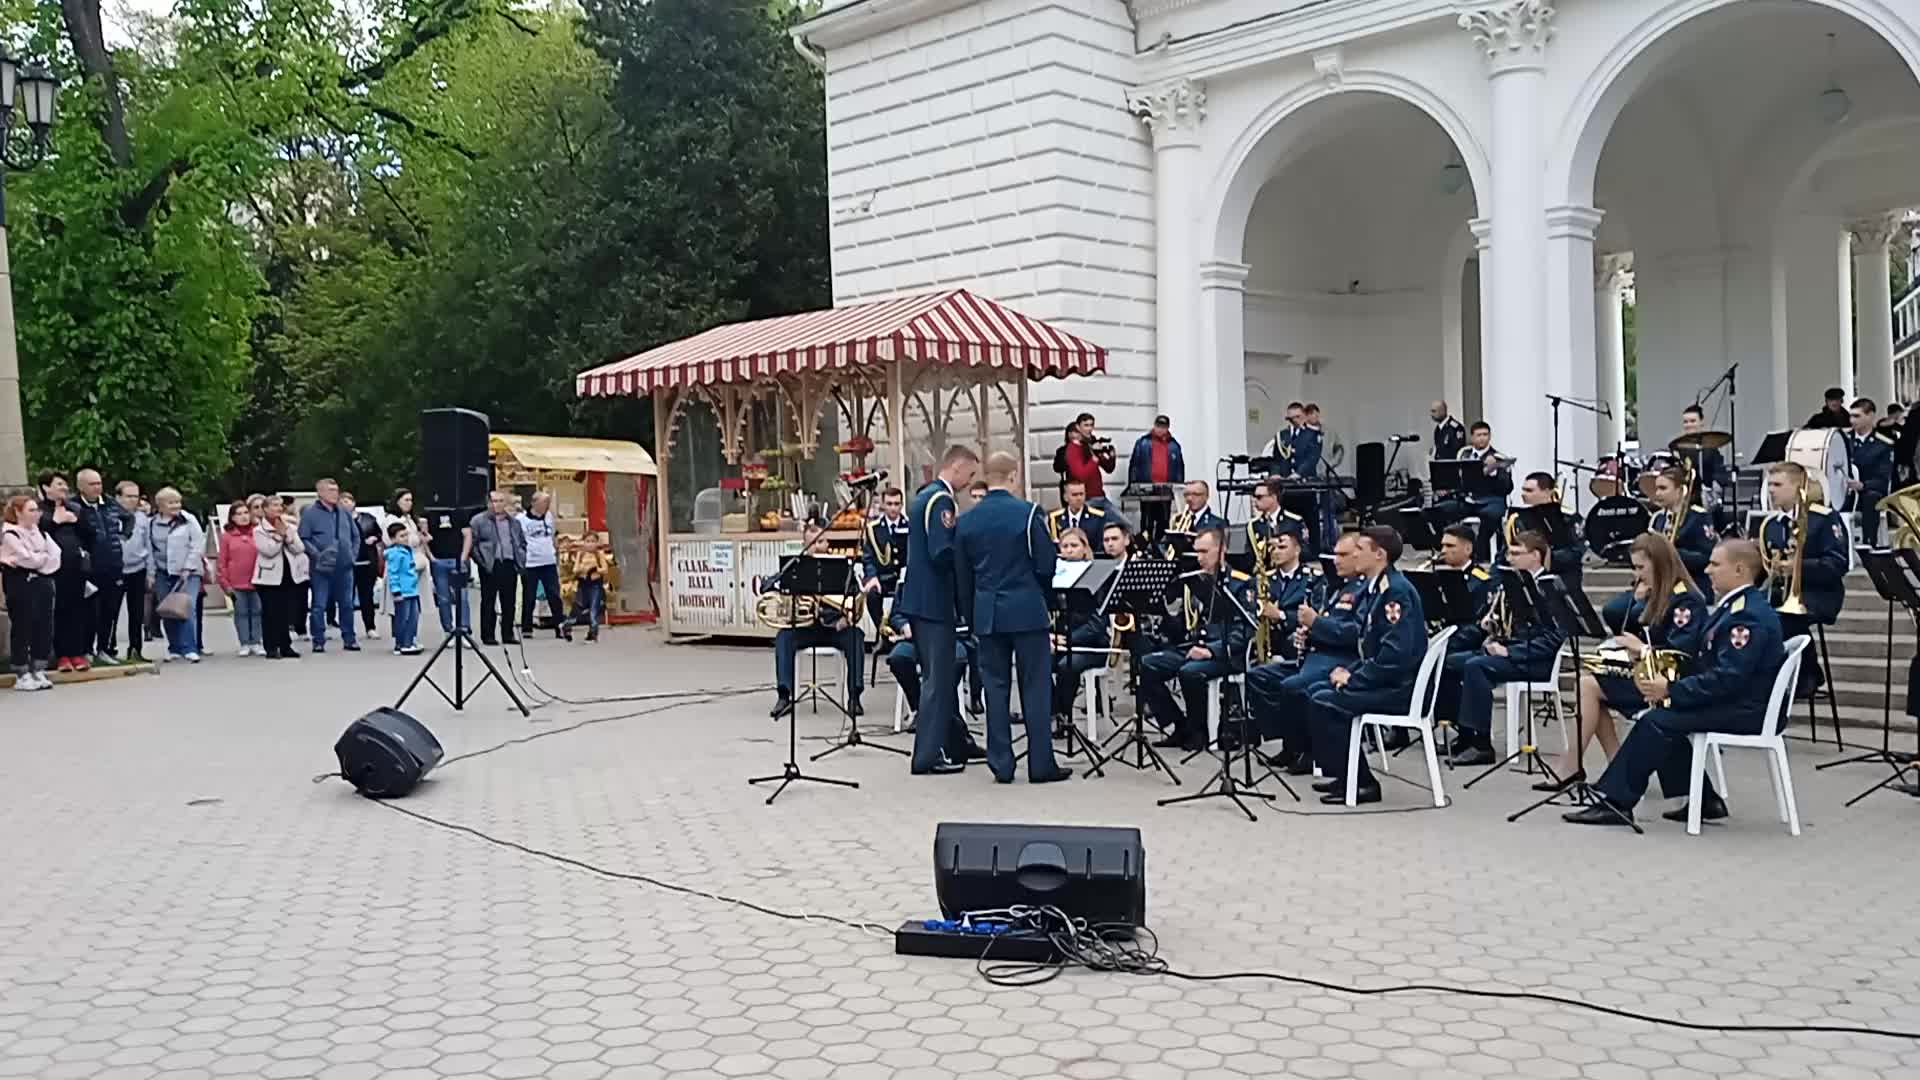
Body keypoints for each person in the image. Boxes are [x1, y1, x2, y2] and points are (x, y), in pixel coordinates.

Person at [1565, 539, 1786, 827]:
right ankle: (1705, 800)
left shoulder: (1746, 615)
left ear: (1740, 569)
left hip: (1745, 708)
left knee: (1657, 720)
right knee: (1663, 717)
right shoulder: (1736, 606)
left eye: (1716, 564)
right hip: (1735, 699)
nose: (1707, 570)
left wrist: (1672, 690)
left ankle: (1616, 801)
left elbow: (1729, 677)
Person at [1541, 534, 1706, 791]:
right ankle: (1610, 765)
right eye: (1634, 567)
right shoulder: (1660, 594)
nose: (1637, 574)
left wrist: (1642, 649)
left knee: (1588, 686)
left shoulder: (1685, 600)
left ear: (1660, 564)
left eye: (1641, 567)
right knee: (1589, 683)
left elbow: (1680, 654)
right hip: (1651, 673)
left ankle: (1577, 765)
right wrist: (1638, 602)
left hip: (1671, 683)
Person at [954, 451, 1071, 784]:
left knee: (995, 687)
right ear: (1013, 476)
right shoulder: (1028, 513)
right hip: (1027, 610)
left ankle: (1001, 764)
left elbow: (962, 577)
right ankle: (1040, 763)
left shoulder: (967, 520)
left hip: (987, 613)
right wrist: (1047, 600)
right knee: (1035, 686)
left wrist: (971, 614)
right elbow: (1046, 565)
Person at [1303, 527, 1426, 804]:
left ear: (1379, 554)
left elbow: (1395, 656)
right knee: (1315, 691)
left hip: (1400, 686)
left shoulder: (1395, 591)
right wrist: (1351, 672)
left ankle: (1363, 784)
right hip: (1384, 679)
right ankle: (1343, 774)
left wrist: (1354, 679)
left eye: (1360, 549)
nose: (1354, 554)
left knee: (1328, 702)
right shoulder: (1376, 588)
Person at [1433, 530, 1568, 767]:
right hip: (1509, 650)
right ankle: (1464, 734)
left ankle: (1482, 744)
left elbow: (1554, 637)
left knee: (1477, 667)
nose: (1509, 558)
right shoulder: (1515, 584)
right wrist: (1491, 626)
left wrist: (1510, 652)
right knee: (1449, 662)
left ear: (1535, 556)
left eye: (1517, 553)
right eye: (1509, 553)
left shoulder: (1550, 588)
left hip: (1534, 659)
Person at [1248, 537, 1370, 774]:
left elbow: (1355, 633)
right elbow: (1327, 624)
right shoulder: (1341, 587)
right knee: (1259, 677)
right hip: (1317, 655)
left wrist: (1316, 623)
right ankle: (1290, 742)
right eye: (1335, 555)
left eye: (1343, 555)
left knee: (1294, 687)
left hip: (1340, 660)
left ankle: (1306, 751)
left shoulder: (1363, 590)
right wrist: (1308, 634)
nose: (1336, 561)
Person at [901, 445, 983, 775]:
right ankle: (926, 756)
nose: (970, 481)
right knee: (937, 680)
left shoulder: (924, 497)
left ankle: (955, 741)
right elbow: (941, 552)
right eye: (971, 474)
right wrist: (969, 564)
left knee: (943, 675)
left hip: (919, 601)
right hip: (934, 602)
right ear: (958, 467)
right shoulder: (941, 501)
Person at [1137, 527, 1253, 753]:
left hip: (1225, 652)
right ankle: (1178, 724)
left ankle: (1198, 729)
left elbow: (1244, 631)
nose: (1199, 557)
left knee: (1190, 671)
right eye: (1196, 552)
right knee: (1147, 664)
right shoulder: (1194, 580)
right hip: (1194, 646)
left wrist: (1212, 650)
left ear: (1222, 551)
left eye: (1204, 552)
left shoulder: (1241, 583)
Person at [1758, 461, 1847, 697]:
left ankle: (1807, 674)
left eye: (1777, 485)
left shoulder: (1823, 519)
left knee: (1784, 618)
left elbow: (1837, 564)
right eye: (1770, 485)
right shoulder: (1771, 525)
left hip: (1819, 593)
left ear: (1798, 487)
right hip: (1781, 593)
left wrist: (1797, 567)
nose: (1771, 491)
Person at [762, 524, 866, 718]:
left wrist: (847, 618)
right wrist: (780, 586)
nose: (817, 547)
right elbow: (766, 586)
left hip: (835, 628)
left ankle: (854, 698)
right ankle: (784, 697)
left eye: (820, 541)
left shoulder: (841, 567)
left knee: (856, 637)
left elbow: (856, 595)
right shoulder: (796, 566)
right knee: (783, 638)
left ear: (827, 543)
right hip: (806, 628)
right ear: (804, 545)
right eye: (812, 543)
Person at [1048, 528, 1109, 729]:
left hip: (1092, 645)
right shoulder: (1056, 577)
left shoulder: (1096, 577)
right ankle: (1052, 710)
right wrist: (1052, 637)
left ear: (1085, 549)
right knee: (1034, 661)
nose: (1069, 550)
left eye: (1074, 546)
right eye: (1065, 546)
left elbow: (1098, 625)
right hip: (1063, 641)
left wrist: (1070, 639)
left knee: (1067, 665)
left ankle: (1062, 716)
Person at [2, 494, 60, 690]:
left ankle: (39, 668)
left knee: (44, 624)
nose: (37, 514)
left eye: (38, 510)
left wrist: (40, 560)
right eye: (31, 510)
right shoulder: (10, 534)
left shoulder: (40, 533)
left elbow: (55, 556)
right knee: (23, 624)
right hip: (20, 584)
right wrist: (40, 559)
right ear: (18, 512)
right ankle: (21, 671)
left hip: (43, 582)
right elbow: (25, 558)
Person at [38, 471, 94, 673]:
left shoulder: (75, 508)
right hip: (52, 570)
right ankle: (61, 655)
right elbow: (37, 534)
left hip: (76, 567)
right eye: (59, 484)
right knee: (59, 611)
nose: (63, 488)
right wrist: (56, 521)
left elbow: (90, 534)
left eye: (64, 485)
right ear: (46, 487)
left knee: (77, 611)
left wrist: (76, 520)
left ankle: (77, 653)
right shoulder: (39, 509)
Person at [298, 479, 361, 653]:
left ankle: (349, 638)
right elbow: (303, 538)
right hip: (321, 568)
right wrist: (317, 556)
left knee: (347, 604)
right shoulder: (310, 514)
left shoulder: (344, 513)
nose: (335, 493)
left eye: (336, 490)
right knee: (319, 605)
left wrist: (352, 555)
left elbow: (356, 536)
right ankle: (318, 639)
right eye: (330, 490)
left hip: (344, 566)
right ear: (320, 493)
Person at [74, 468, 126, 667]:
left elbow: (128, 518)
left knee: (109, 610)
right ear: (81, 487)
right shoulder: (75, 506)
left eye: (99, 483)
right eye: (92, 484)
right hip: (89, 568)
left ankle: (104, 648)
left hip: (112, 564)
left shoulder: (110, 503)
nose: (97, 488)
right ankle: (86, 649)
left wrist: (122, 535)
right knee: (89, 612)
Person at [148, 487, 207, 663]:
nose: (176, 506)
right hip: (162, 571)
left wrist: (188, 568)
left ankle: (190, 647)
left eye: (177, 502)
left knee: (187, 609)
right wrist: (151, 573)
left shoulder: (189, 520)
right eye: (171, 502)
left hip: (188, 573)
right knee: (168, 610)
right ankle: (174, 647)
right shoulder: (152, 523)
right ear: (160, 506)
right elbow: (150, 548)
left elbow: (197, 544)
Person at [462, 491, 527, 647]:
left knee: (509, 601)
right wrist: (481, 562)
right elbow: (473, 543)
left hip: (509, 563)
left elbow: (521, 542)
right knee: (489, 601)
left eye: (500, 501)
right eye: (494, 501)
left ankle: (508, 633)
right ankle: (488, 635)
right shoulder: (479, 520)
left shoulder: (514, 522)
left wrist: (521, 558)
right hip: (490, 564)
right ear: (488, 503)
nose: (497, 504)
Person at [1506, 472, 1583, 588]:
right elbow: (1507, 550)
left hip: (1564, 574)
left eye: (1529, 490)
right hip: (1528, 574)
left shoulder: (1567, 517)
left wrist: (1547, 557)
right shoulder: (1518, 519)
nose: (1523, 494)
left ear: (1547, 492)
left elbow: (1577, 550)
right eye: (1523, 490)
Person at [253, 496, 306, 660]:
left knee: (286, 612)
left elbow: (299, 548)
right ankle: (271, 646)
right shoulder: (259, 530)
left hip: (288, 575)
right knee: (270, 613)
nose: (278, 508)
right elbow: (268, 551)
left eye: (279, 505)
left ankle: (286, 645)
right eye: (274, 505)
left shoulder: (289, 526)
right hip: (268, 577)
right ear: (265, 509)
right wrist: (278, 536)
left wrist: (288, 536)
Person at [1843, 397, 1895, 548]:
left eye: (1857, 416)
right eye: (1851, 416)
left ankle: (1868, 544)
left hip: (1867, 493)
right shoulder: (1843, 440)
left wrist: (1862, 485)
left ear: (1870, 416)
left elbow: (1883, 479)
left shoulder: (1882, 445)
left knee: (1871, 498)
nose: (1852, 421)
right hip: (1844, 493)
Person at [860, 486, 910, 632]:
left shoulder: (909, 526)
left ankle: (902, 629)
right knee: (872, 594)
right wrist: (872, 577)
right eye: (889, 504)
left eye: (896, 504)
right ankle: (882, 632)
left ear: (901, 505)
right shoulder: (873, 528)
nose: (893, 508)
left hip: (905, 578)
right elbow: (868, 557)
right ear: (882, 505)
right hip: (882, 577)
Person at [1127, 415, 1185, 538]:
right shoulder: (1143, 443)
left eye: (1163, 427)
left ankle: (1160, 547)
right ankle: (1145, 547)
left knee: (1163, 521)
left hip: (1166, 490)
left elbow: (1179, 468)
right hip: (1147, 489)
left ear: (1167, 428)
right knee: (1147, 521)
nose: (1160, 429)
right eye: (1158, 426)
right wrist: (1133, 486)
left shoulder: (1174, 445)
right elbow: (1134, 465)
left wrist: (1178, 489)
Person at [517, 492, 566, 639]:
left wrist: (556, 552)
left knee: (554, 596)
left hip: (548, 562)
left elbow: (552, 537)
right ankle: (527, 627)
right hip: (531, 563)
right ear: (534, 503)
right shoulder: (521, 520)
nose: (546, 506)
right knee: (529, 596)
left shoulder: (549, 517)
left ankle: (560, 626)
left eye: (548, 503)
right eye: (544, 503)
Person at [218, 503, 264, 657]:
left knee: (257, 611)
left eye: (246, 512)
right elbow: (222, 561)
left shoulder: (257, 533)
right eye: (239, 514)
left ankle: (256, 641)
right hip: (236, 582)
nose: (244, 516)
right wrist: (224, 582)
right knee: (241, 613)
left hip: (257, 580)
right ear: (232, 517)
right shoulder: (227, 537)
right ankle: (244, 642)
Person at [114, 481, 149, 663]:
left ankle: (136, 649)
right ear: (118, 497)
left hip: (138, 568)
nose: (133, 500)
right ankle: (109, 649)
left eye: (136, 496)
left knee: (137, 613)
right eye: (129, 496)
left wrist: (150, 571)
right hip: (116, 570)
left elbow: (148, 545)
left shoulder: (143, 518)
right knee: (112, 611)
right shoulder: (111, 516)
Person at [1060, 412, 1118, 519]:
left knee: (1125, 525)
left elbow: (1108, 468)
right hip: (1086, 499)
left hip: (1100, 496)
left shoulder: (1091, 444)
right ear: (1078, 427)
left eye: (1091, 425)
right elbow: (1080, 475)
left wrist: (1111, 455)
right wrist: (1094, 459)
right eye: (1086, 425)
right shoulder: (1073, 448)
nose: (1089, 429)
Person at [562, 533, 610, 642]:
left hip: (595, 584)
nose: (590, 544)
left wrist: (596, 569)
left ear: (597, 543)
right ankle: (567, 626)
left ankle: (593, 631)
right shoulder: (581, 554)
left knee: (594, 608)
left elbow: (605, 569)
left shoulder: (599, 554)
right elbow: (575, 569)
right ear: (583, 542)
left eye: (593, 541)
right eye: (587, 541)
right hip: (583, 583)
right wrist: (581, 569)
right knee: (578, 607)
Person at [1678, 403, 1731, 498]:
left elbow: (1720, 474)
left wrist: (1714, 488)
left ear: (1701, 422)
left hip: (1706, 497)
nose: (1688, 425)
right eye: (1685, 422)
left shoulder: (1711, 449)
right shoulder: (1677, 448)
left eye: (1692, 421)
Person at [385, 522, 422, 656]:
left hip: (412, 589)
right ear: (393, 539)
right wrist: (396, 590)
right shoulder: (395, 554)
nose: (405, 538)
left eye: (406, 535)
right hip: (403, 591)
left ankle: (409, 641)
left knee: (414, 616)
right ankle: (402, 643)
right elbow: (392, 573)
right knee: (403, 618)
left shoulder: (408, 550)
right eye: (401, 536)